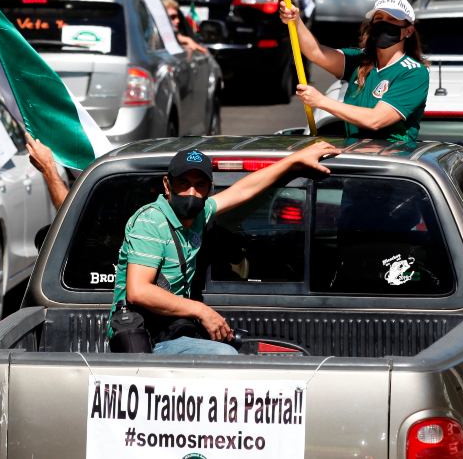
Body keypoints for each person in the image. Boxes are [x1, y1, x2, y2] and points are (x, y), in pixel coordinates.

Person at [111, 143, 338, 354]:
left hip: (171, 328)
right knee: (225, 356)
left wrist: (294, 159)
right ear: (167, 185)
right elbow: (139, 291)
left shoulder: (200, 214)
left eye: (199, 185)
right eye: (183, 183)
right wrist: (201, 311)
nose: (191, 193)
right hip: (145, 338)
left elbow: (243, 190)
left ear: (209, 189)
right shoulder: (150, 221)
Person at [278, 0, 430, 142]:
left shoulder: (414, 72)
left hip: (392, 161)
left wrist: (320, 101)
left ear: (408, 31)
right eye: (379, 18)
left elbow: (375, 120)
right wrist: (296, 21)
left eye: (392, 19)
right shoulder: (360, 60)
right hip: (353, 156)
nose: (384, 23)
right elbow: (316, 52)